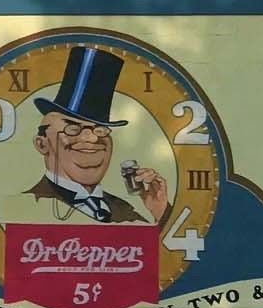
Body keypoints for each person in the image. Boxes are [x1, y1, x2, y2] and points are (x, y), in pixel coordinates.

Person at [22, 44, 169, 224]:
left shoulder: (126, 212)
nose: (92, 138)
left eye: (100, 129)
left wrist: (160, 211)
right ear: (42, 144)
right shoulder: (25, 205)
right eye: (73, 128)